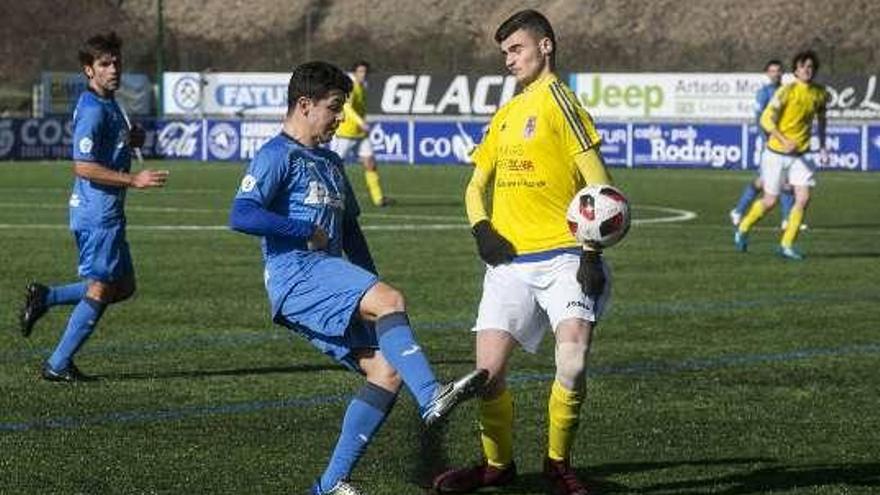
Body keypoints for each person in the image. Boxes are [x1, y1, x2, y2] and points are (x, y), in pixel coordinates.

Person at [227, 61, 487, 495]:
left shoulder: (329, 161)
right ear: (304, 105)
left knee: (385, 370)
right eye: (334, 107)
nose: (341, 117)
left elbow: (349, 229)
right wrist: (302, 230)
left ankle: (329, 484)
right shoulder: (276, 154)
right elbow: (242, 213)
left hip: (328, 278)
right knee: (391, 300)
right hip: (297, 276)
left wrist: (370, 283)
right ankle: (431, 397)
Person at [432, 10, 614, 495]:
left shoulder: (561, 102)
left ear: (546, 46)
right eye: (504, 53)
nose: (508, 60)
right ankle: (497, 465)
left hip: (564, 258)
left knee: (572, 362)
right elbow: (474, 185)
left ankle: (558, 464)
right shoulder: (508, 110)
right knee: (486, 375)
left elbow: (600, 186)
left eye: (516, 49)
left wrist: (590, 254)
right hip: (508, 264)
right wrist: (481, 228)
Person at [18, 31, 168, 382]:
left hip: (109, 212)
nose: (113, 69)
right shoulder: (91, 110)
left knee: (124, 287)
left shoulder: (109, 103)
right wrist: (134, 179)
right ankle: (58, 364)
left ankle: (46, 297)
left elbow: (105, 149)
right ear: (89, 70)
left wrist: (129, 140)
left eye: (116, 62)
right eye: (104, 64)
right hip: (96, 213)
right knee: (101, 287)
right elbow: (82, 166)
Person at [734, 50, 828, 260]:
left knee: (803, 198)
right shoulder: (786, 91)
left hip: (802, 154)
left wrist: (822, 145)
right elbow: (765, 120)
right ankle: (743, 227)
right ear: (795, 70)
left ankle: (786, 245)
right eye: (803, 66)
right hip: (776, 152)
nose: (807, 70)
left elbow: (822, 119)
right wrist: (784, 140)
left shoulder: (820, 93)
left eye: (811, 67)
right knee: (770, 201)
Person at [729, 59, 800, 229]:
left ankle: (741, 212)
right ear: (767, 74)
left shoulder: (786, 91)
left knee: (778, 181)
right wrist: (766, 139)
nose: (776, 73)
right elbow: (759, 119)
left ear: (782, 73)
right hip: (771, 145)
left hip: (783, 142)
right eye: (772, 71)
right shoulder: (764, 93)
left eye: (778, 70)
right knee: (771, 182)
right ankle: (740, 211)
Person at [329, 60, 393, 207]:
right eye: (360, 72)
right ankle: (328, 195)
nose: (363, 74)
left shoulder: (362, 87)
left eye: (365, 72)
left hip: (360, 135)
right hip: (346, 133)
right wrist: (361, 122)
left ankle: (378, 198)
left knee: (370, 163)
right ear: (355, 73)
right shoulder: (352, 87)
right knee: (333, 165)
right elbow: (347, 107)